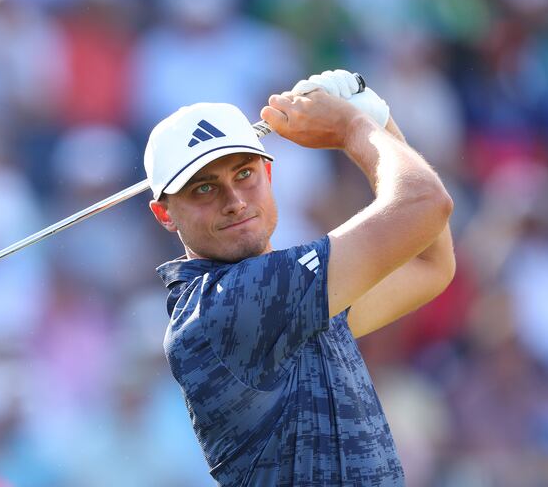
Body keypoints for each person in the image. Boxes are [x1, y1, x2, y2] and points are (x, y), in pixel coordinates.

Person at [144, 70, 455, 486]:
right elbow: (426, 204)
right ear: (165, 214)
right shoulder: (228, 303)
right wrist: (353, 127)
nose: (234, 201)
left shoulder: (299, 299)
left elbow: (428, 264)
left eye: (244, 174)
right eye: (203, 189)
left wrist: (377, 121)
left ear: (268, 176)